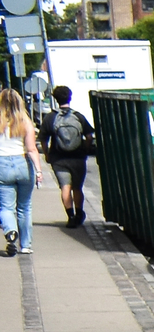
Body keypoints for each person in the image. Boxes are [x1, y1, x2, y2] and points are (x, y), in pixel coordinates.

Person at [40, 84, 92, 227]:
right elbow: (89, 136)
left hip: (59, 158)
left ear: (55, 99)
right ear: (70, 97)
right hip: (77, 158)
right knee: (77, 187)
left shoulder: (51, 117)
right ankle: (80, 212)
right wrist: (85, 150)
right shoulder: (78, 116)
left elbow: (43, 139)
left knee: (65, 187)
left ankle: (70, 216)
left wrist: (47, 154)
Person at [0, 88, 39, 256]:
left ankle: (10, 231)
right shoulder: (25, 122)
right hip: (22, 164)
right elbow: (31, 149)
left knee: (6, 207)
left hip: (2, 165)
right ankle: (26, 245)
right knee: (24, 207)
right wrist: (38, 171)